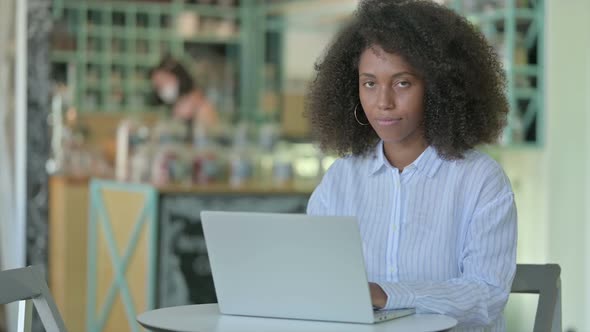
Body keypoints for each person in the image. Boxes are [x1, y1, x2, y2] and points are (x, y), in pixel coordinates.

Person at [305, 1, 517, 331]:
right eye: (369, 83)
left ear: (438, 88)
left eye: (402, 82)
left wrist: (387, 294)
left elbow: (486, 294)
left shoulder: (481, 180)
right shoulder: (340, 180)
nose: (383, 102)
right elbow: (316, 280)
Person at [150, 55, 218, 131]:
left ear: (177, 77)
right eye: (157, 87)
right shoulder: (175, 105)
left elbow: (211, 130)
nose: (160, 90)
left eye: (162, 84)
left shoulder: (200, 104)